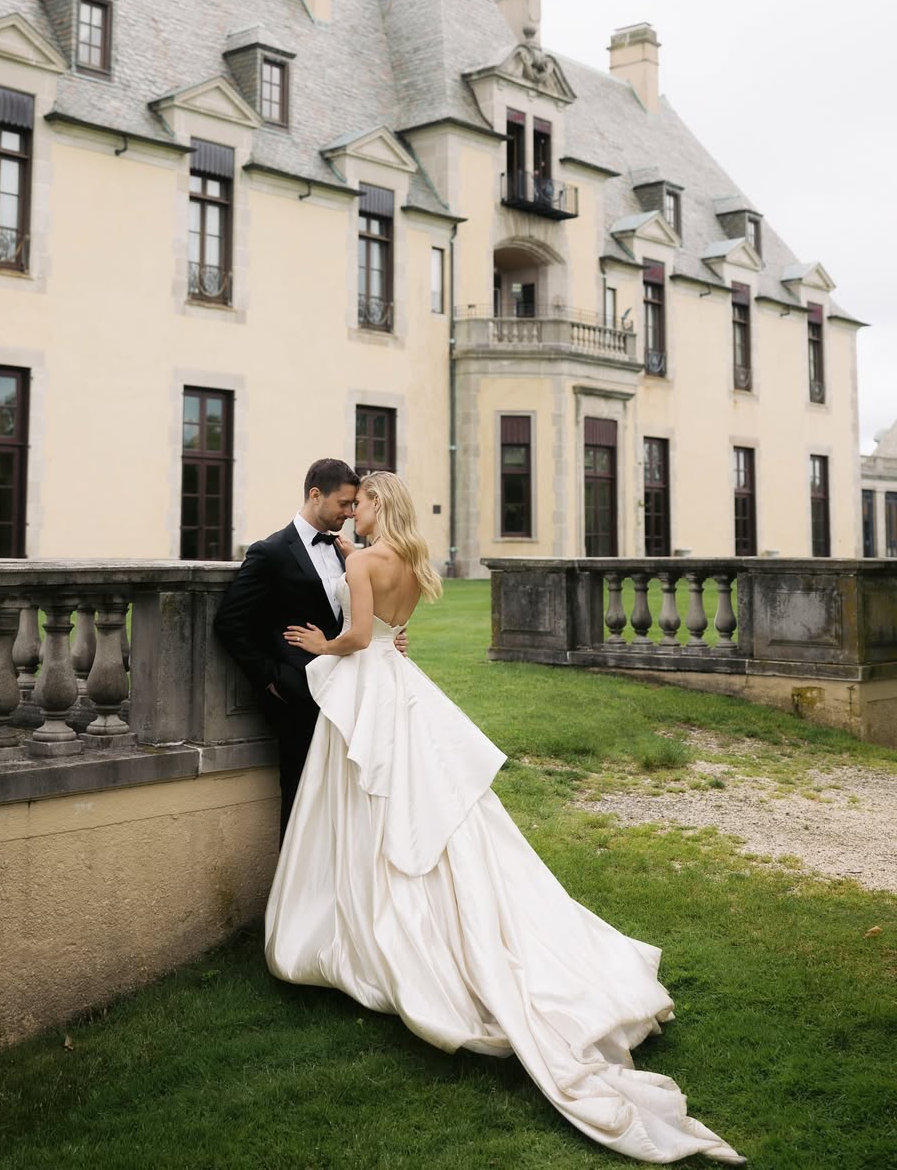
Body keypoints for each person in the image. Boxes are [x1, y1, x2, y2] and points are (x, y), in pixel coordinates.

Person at [265, 471, 745, 1165]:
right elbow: (395, 632)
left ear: (378, 506)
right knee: (423, 803)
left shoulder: (366, 562)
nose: (352, 511)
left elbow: (361, 634)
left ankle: (367, 925)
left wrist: (321, 644)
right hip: (400, 684)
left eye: (360, 502)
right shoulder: (407, 561)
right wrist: (352, 567)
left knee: (375, 801)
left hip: (369, 683)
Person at [214, 458, 405, 837]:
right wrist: (272, 680)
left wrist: (388, 634)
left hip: (351, 692)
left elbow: (362, 615)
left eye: (355, 505)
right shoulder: (270, 552)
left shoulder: (348, 552)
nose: (350, 513)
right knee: (301, 795)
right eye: (344, 504)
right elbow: (230, 622)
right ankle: (293, 876)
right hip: (299, 696)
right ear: (315, 495)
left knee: (349, 798)